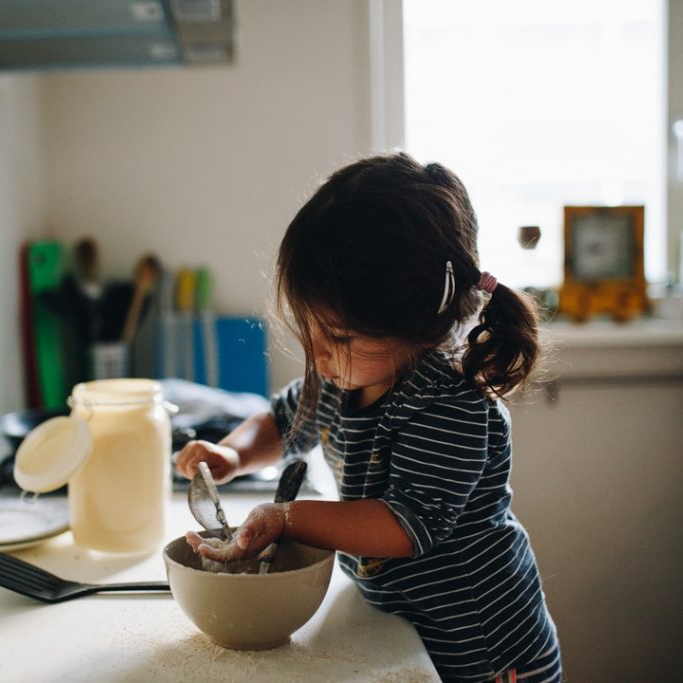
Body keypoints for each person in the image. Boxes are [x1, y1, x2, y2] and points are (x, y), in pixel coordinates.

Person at [175, 153, 562, 683]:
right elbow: (284, 420)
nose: (315, 351)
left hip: (481, 644)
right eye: (311, 328)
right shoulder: (343, 379)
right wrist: (233, 455)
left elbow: (405, 524)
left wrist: (289, 517)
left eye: (337, 337)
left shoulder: (452, 404)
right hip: (402, 623)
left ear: (418, 321)